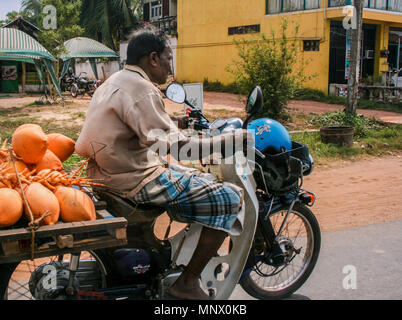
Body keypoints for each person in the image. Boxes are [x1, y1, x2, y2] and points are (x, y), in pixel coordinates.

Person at [75, 29, 250, 300]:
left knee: (194, 178)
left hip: (106, 173)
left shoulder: (114, 81)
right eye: (169, 59)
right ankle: (187, 283)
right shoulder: (143, 90)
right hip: (135, 180)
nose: (171, 66)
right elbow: (177, 148)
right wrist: (232, 141)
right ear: (153, 59)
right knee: (229, 198)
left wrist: (175, 123)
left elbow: (145, 132)